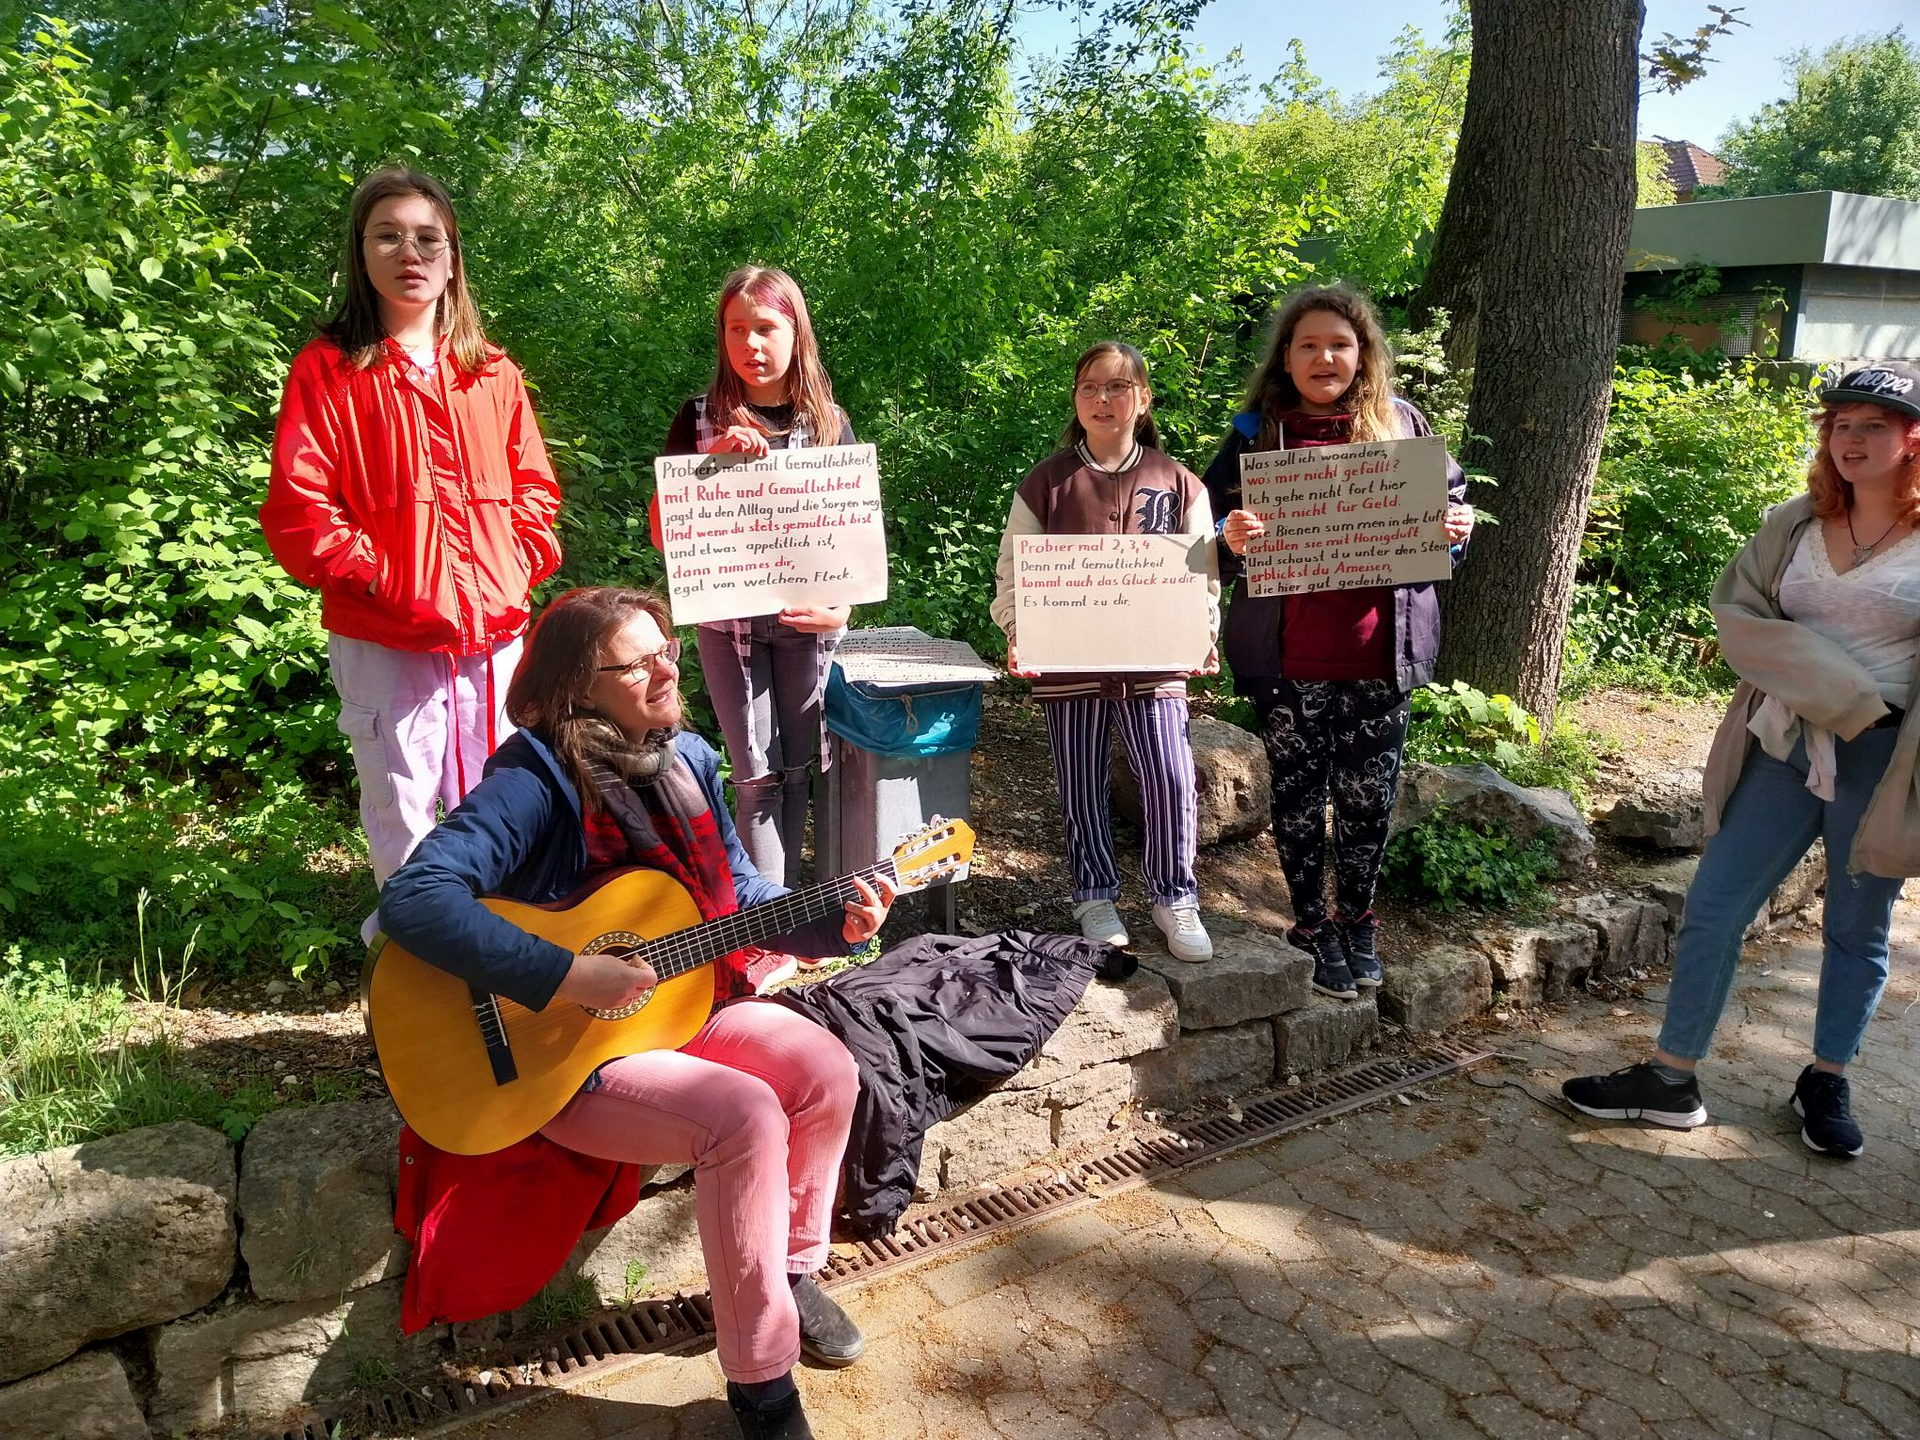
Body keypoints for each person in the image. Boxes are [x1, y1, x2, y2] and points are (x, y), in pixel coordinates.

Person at [380, 586, 896, 1440]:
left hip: (677, 1009)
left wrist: (831, 920)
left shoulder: (686, 757)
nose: (668, 668)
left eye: (669, 650)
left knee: (824, 1069)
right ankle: (762, 1382)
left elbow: (737, 896)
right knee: (744, 1115)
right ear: (581, 686)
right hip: (561, 1054)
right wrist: (567, 975)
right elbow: (416, 901)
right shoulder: (535, 777)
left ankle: (792, 1272)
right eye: (640, 661)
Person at [1563, 363, 1920, 1158]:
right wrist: (1841, 693)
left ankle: (1826, 1077)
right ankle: (1671, 1078)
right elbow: (1741, 618)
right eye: (1840, 425)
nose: (1851, 440)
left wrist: (1876, 715)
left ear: (1912, 438)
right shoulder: (1794, 523)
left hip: (1887, 760)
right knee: (1716, 905)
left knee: (1858, 927)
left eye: (1873, 426)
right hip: (1785, 744)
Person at [261, 168, 562, 920]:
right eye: (388, 236)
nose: (410, 253)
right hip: (385, 635)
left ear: (453, 257)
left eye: (429, 238)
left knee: (499, 803)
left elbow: (536, 494)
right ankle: (416, 988)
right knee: (402, 809)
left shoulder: (491, 374)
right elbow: (301, 510)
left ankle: (505, 968)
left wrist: (515, 568)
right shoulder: (328, 370)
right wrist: (389, 581)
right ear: (362, 254)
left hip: (494, 637)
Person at [1203, 285, 1473, 998]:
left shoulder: (1400, 422)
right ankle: (1310, 925)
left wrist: (1456, 531)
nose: (1326, 356)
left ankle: (1358, 921)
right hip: (1288, 658)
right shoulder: (1257, 431)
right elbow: (1207, 530)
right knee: (1296, 798)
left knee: (1367, 799)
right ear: (1286, 359)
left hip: (1381, 653)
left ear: (1363, 354)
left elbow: (1449, 515)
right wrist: (1229, 541)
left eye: (1340, 344)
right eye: (1309, 345)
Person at [990, 341, 1221, 963]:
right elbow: (1012, 573)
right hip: (1069, 662)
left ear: (1143, 400)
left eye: (1118, 387)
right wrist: (1020, 631)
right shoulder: (1046, 483)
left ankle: (1175, 896)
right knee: (1081, 779)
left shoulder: (1180, 484)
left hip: (1156, 662)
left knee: (1170, 776)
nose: (1103, 398)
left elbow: (1203, 577)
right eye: (1090, 387)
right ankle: (1094, 894)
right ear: (1075, 397)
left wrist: (1203, 635)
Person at [653, 266, 856, 893]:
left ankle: (784, 900)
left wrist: (842, 611)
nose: (751, 345)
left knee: (800, 767)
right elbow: (664, 532)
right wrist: (707, 468)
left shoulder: (828, 423)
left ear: (797, 334)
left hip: (805, 624)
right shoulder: (699, 419)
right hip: (728, 626)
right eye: (735, 329)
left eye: (766, 328)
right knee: (755, 773)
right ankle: (765, 918)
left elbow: (849, 528)